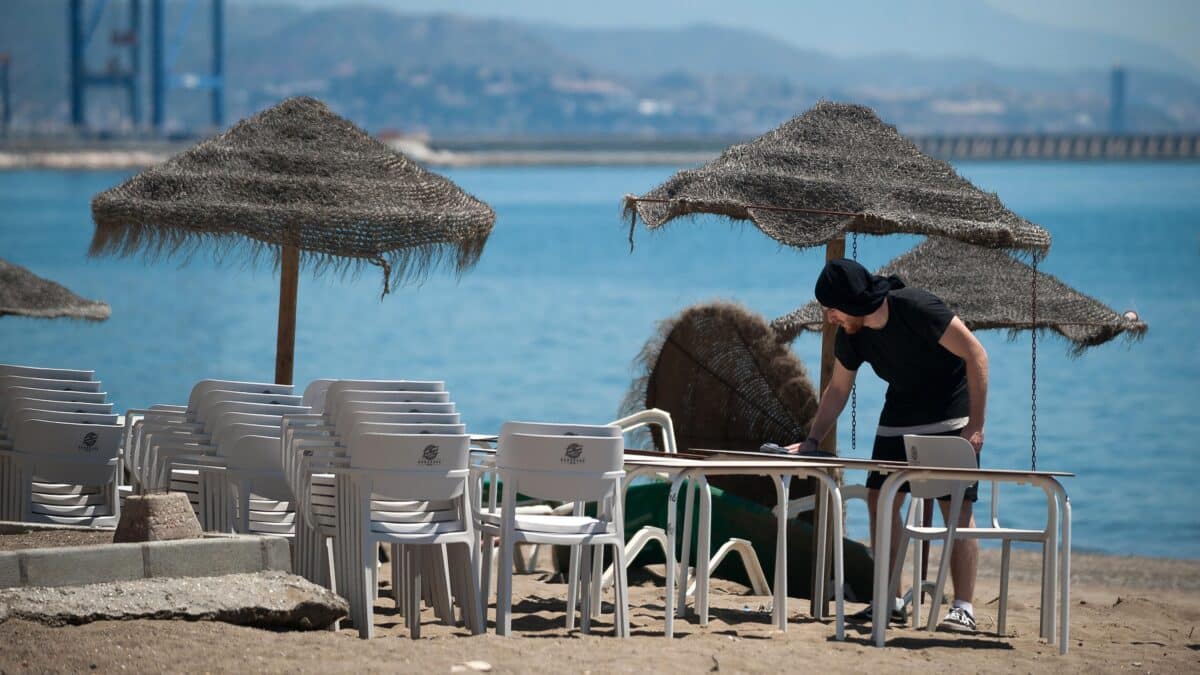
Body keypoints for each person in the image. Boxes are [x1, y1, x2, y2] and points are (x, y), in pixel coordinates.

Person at [786, 258, 988, 633]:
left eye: (831, 308)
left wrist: (975, 426)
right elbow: (838, 389)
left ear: (852, 300)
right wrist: (812, 440)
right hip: (899, 414)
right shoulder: (852, 335)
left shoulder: (915, 307)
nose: (829, 317)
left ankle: (963, 608)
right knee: (880, 500)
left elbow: (976, 355)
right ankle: (890, 599)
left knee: (954, 507)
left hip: (950, 413)